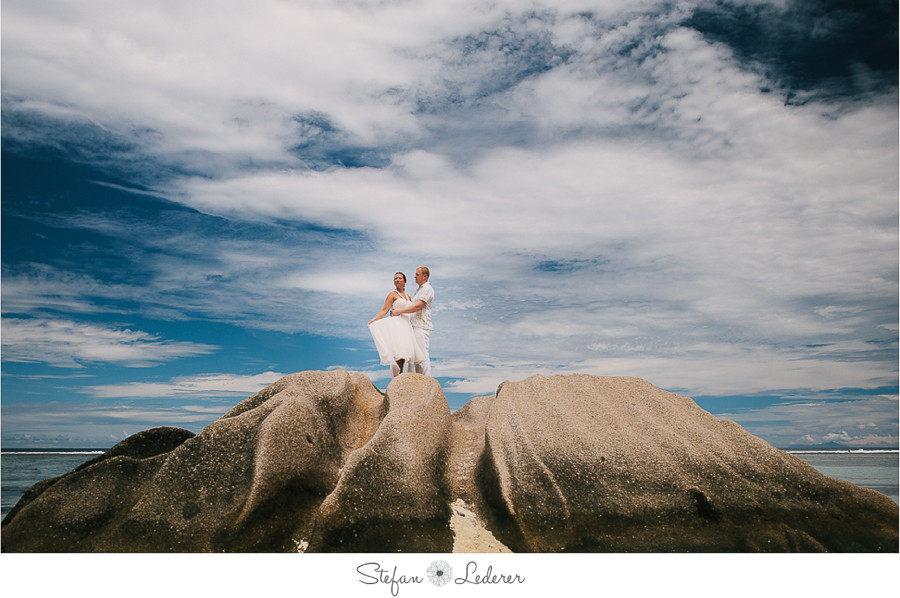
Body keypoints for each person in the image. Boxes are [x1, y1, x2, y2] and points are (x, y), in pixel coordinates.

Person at [368, 272, 424, 377]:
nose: (397, 280)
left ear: (404, 281)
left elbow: (411, 310)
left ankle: (402, 378)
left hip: (406, 326)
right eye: (395, 278)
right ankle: (397, 378)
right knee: (399, 352)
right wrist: (374, 319)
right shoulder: (392, 294)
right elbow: (384, 310)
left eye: (399, 278)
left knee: (406, 353)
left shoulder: (408, 297)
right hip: (397, 325)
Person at [390, 266, 433, 376]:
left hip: (421, 326)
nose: (414, 276)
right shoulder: (418, 291)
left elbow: (417, 307)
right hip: (413, 327)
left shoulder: (427, 289)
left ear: (424, 276)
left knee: (422, 357)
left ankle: (426, 383)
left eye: (417, 274)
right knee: (415, 358)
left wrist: (398, 311)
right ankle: (418, 382)